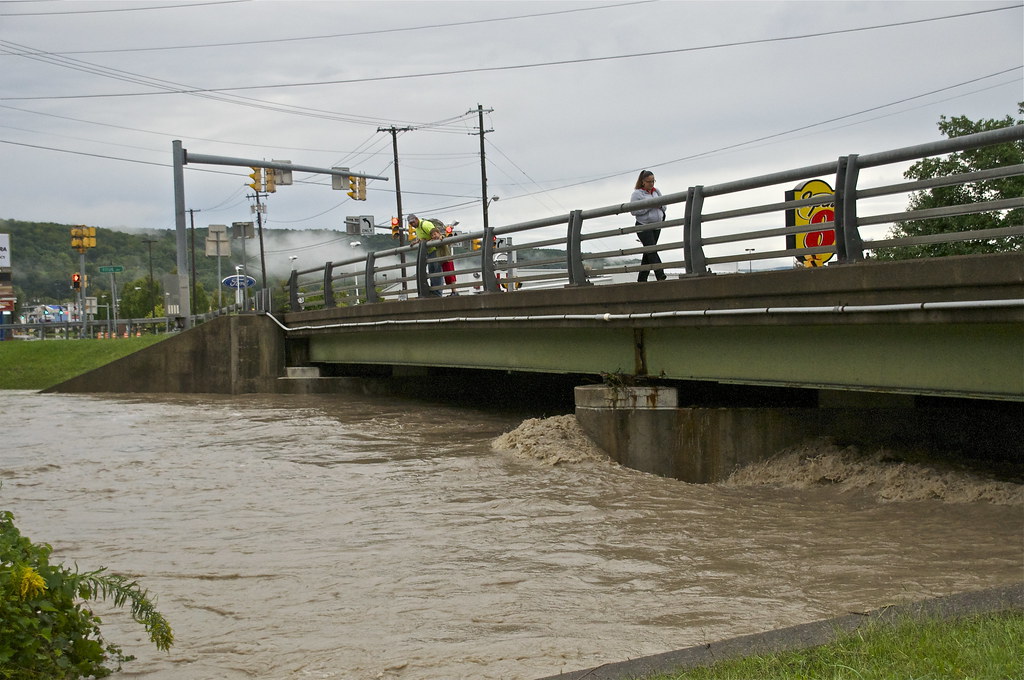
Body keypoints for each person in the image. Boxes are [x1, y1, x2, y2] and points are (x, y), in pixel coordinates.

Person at [629, 170, 667, 281]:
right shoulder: (637, 194)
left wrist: (659, 206)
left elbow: (664, 206)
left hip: (656, 226)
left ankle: (642, 279)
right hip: (643, 226)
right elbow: (633, 211)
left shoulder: (656, 191)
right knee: (652, 250)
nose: (651, 184)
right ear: (643, 182)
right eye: (649, 181)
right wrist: (649, 206)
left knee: (648, 251)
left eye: (653, 181)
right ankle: (660, 274)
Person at [408, 214, 443, 297]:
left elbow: (436, 234)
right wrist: (417, 242)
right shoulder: (417, 229)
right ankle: (433, 291)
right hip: (429, 252)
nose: (412, 225)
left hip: (435, 250)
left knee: (436, 272)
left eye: (413, 222)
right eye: (411, 224)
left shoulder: (425, 225)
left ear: (416, 219)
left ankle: (437, 293)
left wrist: (427, 241)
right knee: (431, 272)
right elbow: (422, 238)